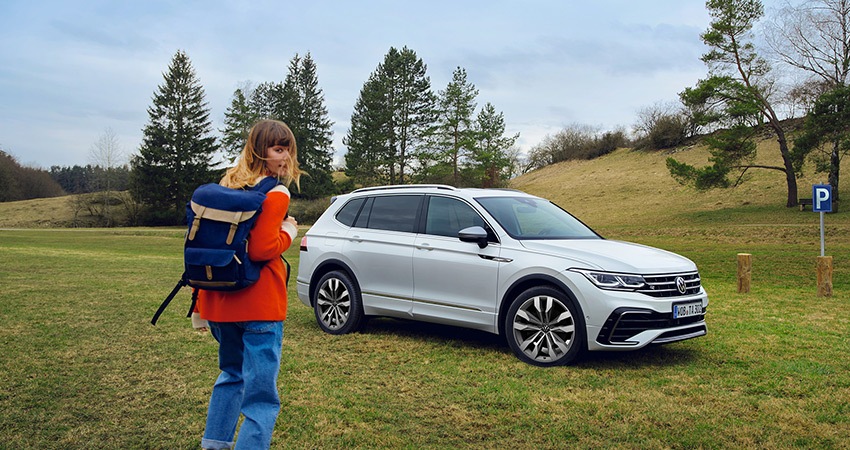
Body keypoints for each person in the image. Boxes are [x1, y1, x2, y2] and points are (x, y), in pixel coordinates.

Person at [197, 119, 302, 449]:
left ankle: (215, 444)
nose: (285, 157)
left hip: (220, 302)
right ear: (260, 151)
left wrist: (199, 305)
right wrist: (289, 231)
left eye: (288, 149)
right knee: (261, 397)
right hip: (260, 305)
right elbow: (261, 249)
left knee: (231, 376)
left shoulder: (226, 185)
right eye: (278, 149)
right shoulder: (276, 192)